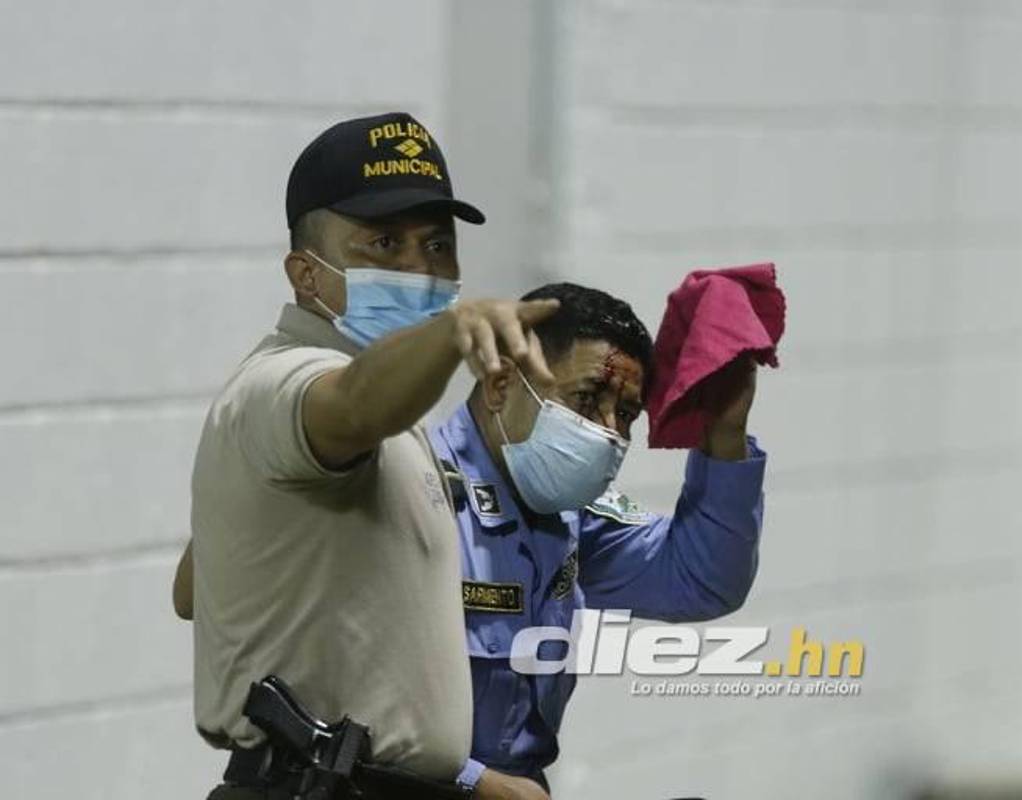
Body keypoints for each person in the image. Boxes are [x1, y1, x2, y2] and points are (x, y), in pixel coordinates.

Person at [188, 110, 560, 800]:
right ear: (306, 274)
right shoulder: (284, 385)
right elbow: (357, 403)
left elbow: (201, 584)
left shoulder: (394, 418)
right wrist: (451, 333)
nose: (421, 269)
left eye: (438, 245)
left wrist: (476, 784)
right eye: (384, 243)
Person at [432, 281, 765, 793]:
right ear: (501, 383)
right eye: (587, 399)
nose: (609, 430)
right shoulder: (416, 494)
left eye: (626, 415)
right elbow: (344, 694)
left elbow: (703, 581)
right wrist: (474, 784)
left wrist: (724, 432)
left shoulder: (569, 516)